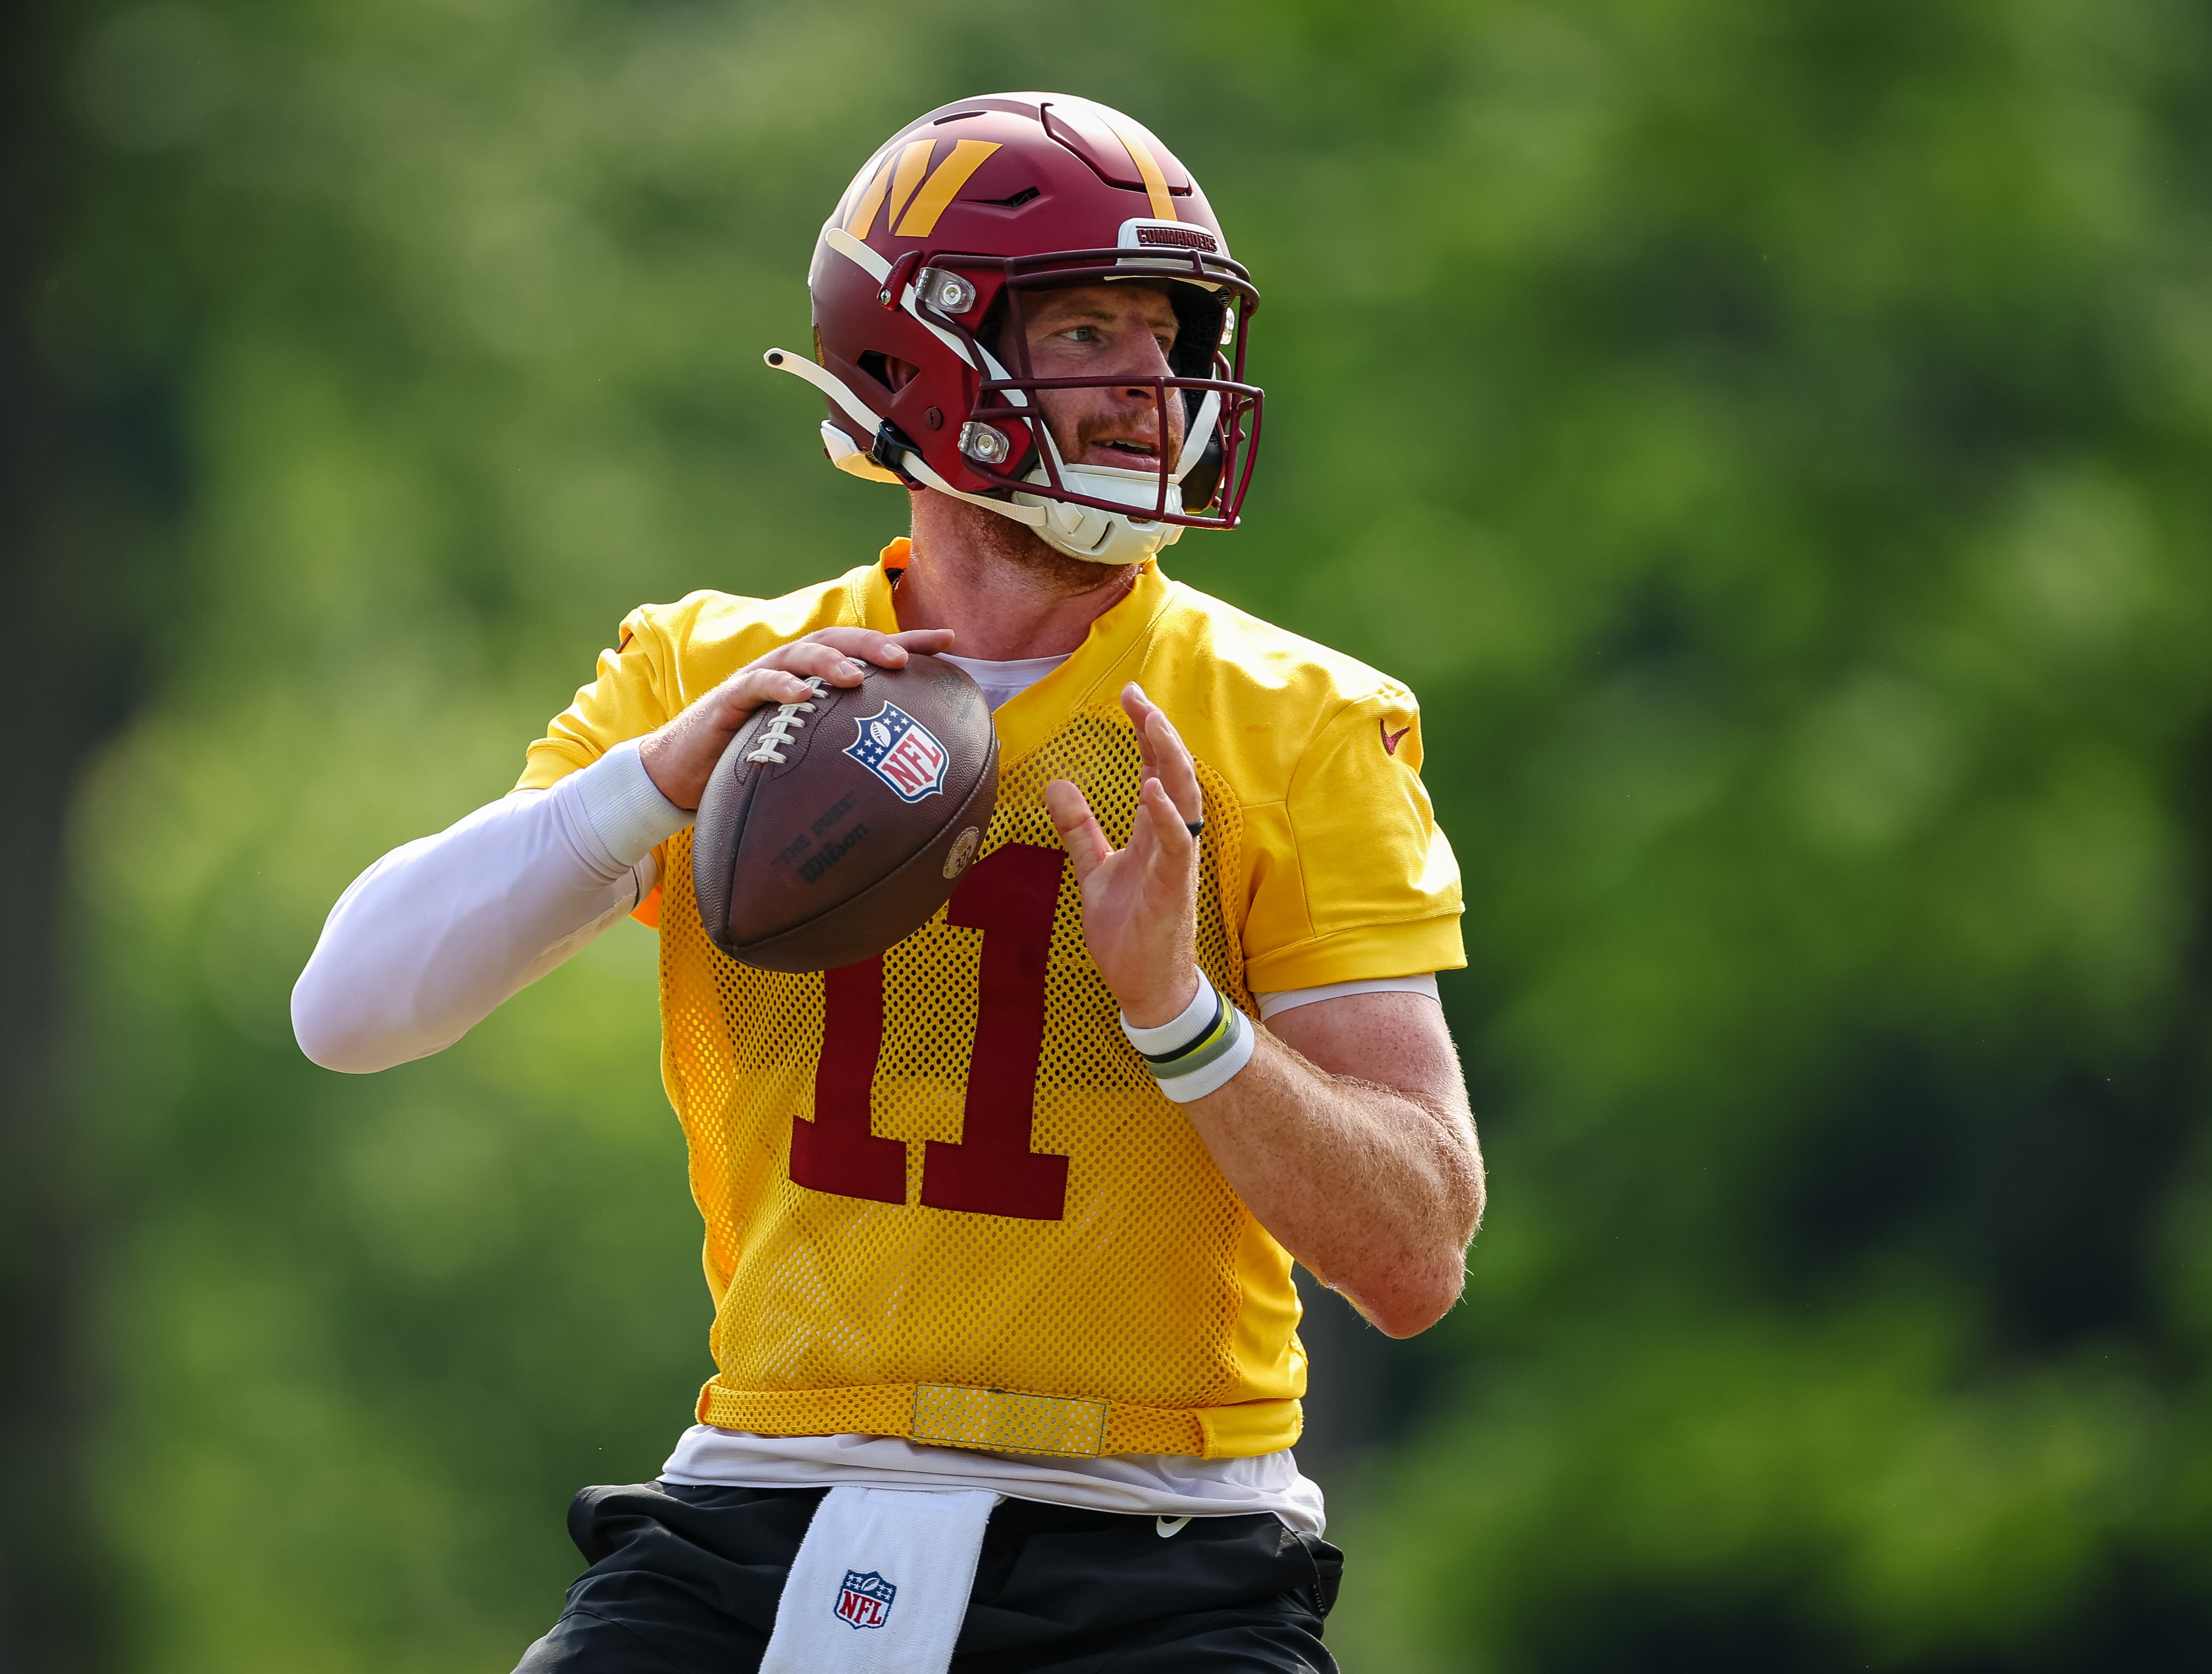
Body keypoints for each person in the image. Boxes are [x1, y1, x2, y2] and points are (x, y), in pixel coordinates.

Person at [293, 91, 1484, 1674]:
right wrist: (650, 786)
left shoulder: (1292, 723)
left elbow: (1416, 1256)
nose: (1152, 388)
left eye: (1166, 334)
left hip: (1159, 1537)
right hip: (769, 1491)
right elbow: (348, 1011)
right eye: (1087, 331)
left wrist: (1182, 1013)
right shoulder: (720, 678)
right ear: (926, 358)